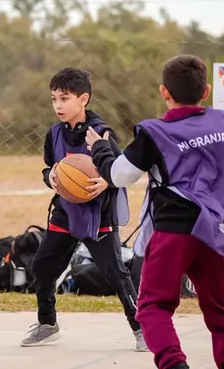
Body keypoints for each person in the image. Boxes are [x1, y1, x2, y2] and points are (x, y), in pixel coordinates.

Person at [85, 54, 224, 369]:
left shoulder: (155, 131)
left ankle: (174, 368)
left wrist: (100, 148)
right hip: (215, 231)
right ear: (206, 91)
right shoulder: (221, 122)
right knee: (220, 309)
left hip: (175, 231)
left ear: (164, 92)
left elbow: (121, 175)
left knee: (152, 305)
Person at [21, 67, 144, 351]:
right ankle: (47, 324)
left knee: (115, 272)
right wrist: (50, 177)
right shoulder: (54, 134)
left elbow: (121, 171)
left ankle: (141, 328)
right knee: (43, 266)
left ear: (83, 99)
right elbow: (49, 168)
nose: (58, 105)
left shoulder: (101, 132)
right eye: (54, 99)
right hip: (66, 210)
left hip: (98, 213)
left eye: (64, 98)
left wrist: (105, 180)